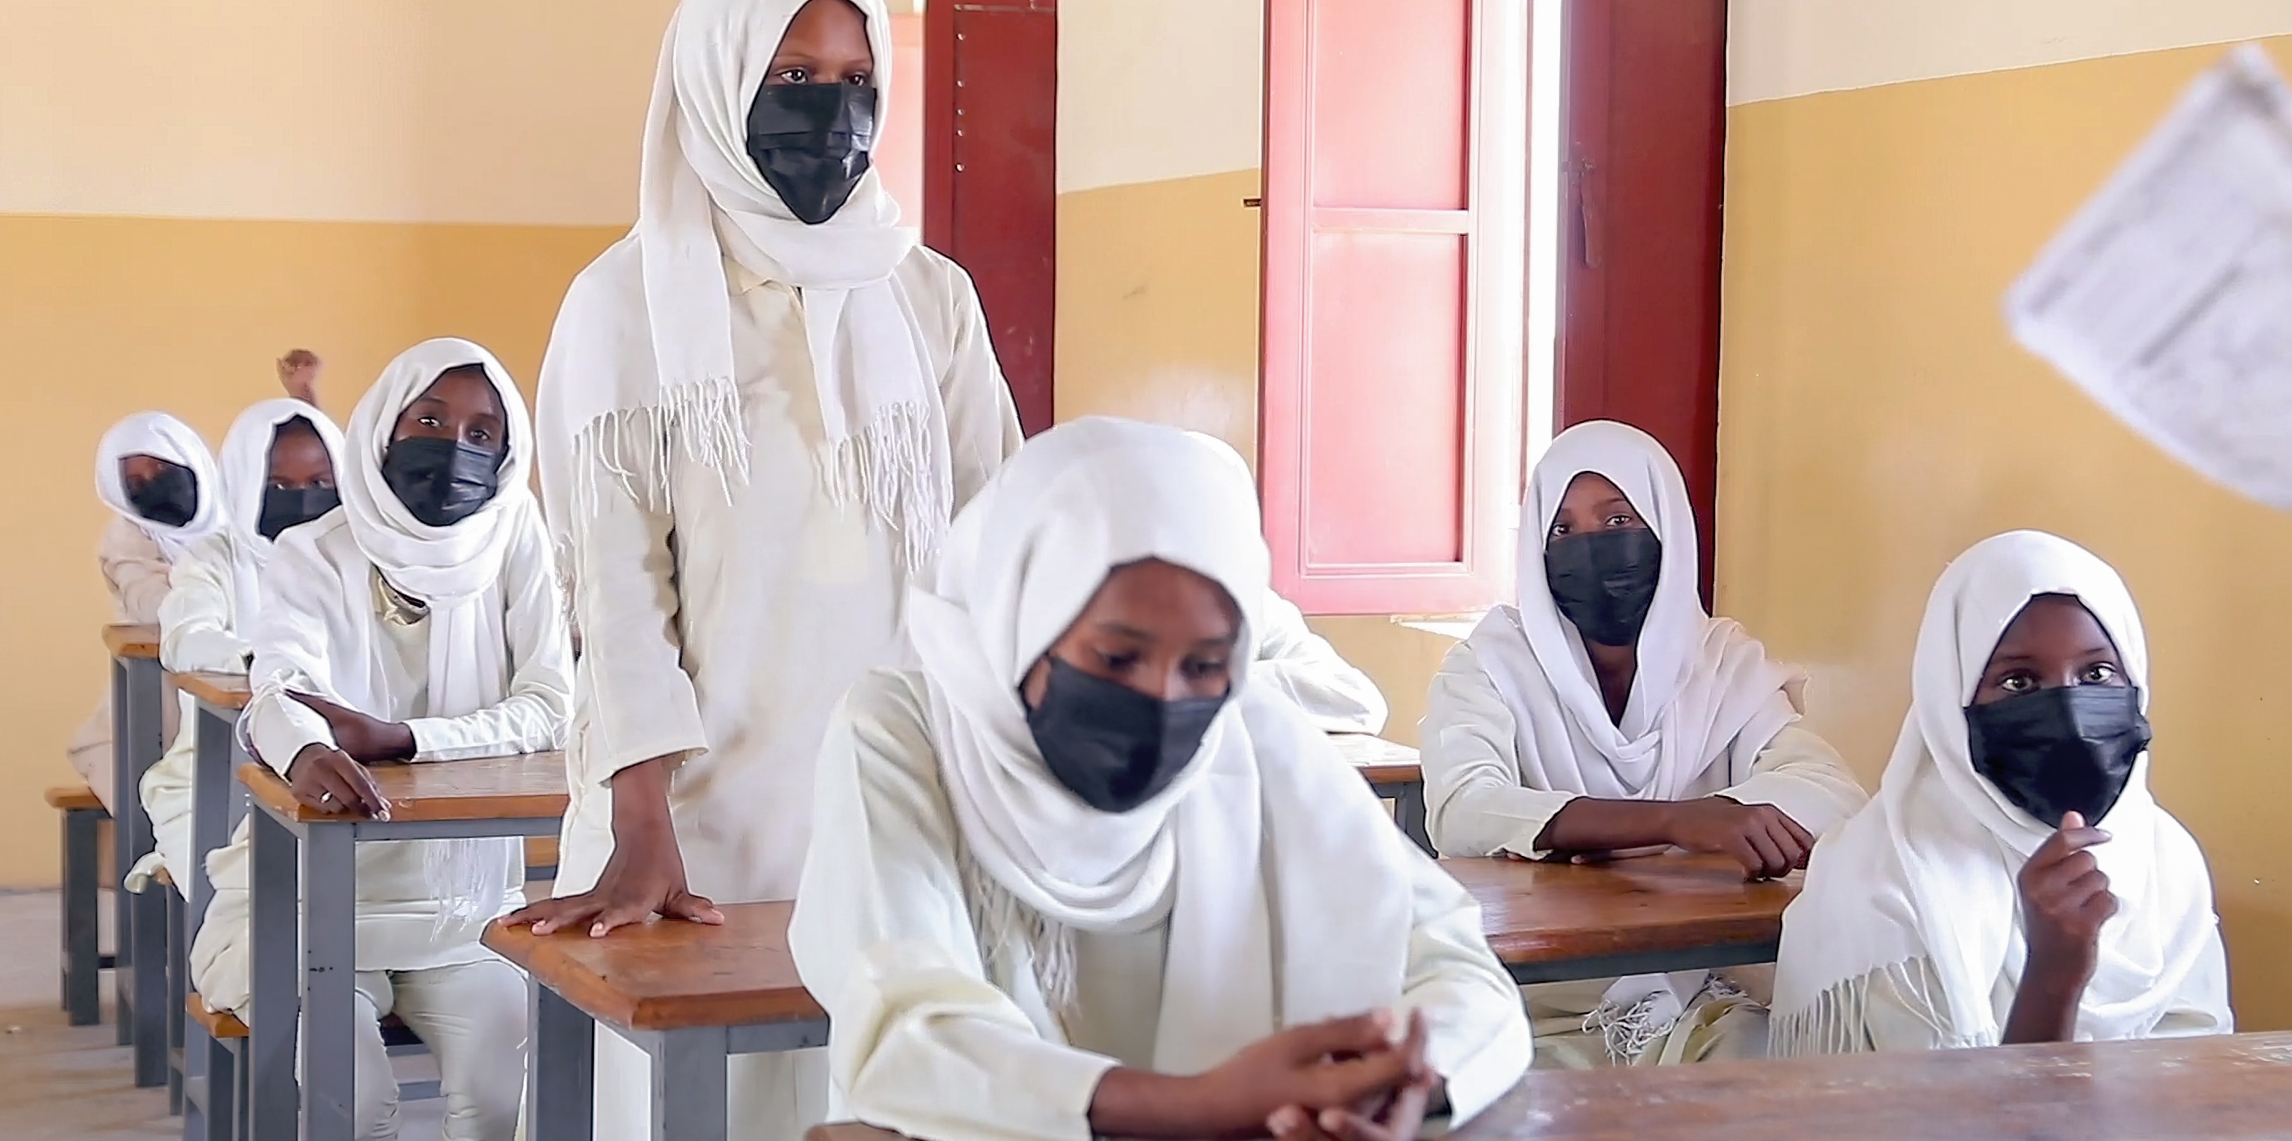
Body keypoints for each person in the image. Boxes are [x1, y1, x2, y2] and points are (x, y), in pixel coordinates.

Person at [507, 0, 1022, 1134]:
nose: (831, 110)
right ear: (715, 76)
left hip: (897, 806)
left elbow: (995, 542)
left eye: (856, 79)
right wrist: (644, 826)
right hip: (694, 828)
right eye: (792, 74)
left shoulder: (927, 294)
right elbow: (616, 588)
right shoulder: (626, 301)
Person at [789, 417, 1531, 1141]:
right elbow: (901, 1030)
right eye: (1117, 659)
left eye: (1205, 666)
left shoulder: (1256, 743)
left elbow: (1466, 981)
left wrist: (1392, 1090)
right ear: (1025, 625)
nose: (1165, 699)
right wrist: (1200, 1106)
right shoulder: (906, 731)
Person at [189, 338, 570, 1140]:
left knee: (505, 1104)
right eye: (429, 420)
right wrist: (303, 749)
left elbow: (551, 706)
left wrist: (404, 739)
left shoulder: (514, 536)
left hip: (464, 912)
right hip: (312, 909)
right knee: (355, 1106)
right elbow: (277, 693)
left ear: (506, 453)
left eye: (480, 434)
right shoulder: (312, 551)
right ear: (381, 431)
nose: (454, 448)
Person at [1419, 420, 1864, 1067]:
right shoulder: (1491, 664)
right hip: (1532, 999)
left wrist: (1708, 823)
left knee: (1771, 1071)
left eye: (1618, 520)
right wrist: (1678, 824)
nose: (1590, 547)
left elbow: (1833, 794)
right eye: (1563, 530)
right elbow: (1463, 809)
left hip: (1690, 989)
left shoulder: (1719, 663)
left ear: (1668, 535)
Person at [1772, 531, 2230, 1055]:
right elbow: (1941, 1122)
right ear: (1952, 700)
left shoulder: (2167, 859)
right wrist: (2053, 973)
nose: (2071, 714)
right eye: (2018, 682)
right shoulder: (1889, 884)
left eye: (2097, 673)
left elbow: (2203, 1067)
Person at [130, 397, 345, 891]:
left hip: (340, 771)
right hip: (217, 781)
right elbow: (185, 639)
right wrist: (272, 663)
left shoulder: (359, 559)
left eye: (319, 484)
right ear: (245, 483)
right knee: (247, 908)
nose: (302, 499)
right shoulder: (216, 558)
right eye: (278, 485)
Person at [74, 411, 225, 809]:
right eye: (136, 482)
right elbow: (154, 606)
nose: (153, 483)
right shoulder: (126, 537)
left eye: (161, 467)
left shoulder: (238, 514)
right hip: (160, 698)